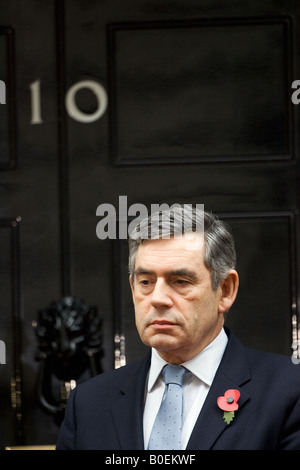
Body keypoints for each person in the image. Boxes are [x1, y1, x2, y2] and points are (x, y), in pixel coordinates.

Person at [56, 206, 300, 450]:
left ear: (225, 290)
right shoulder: (88, 403)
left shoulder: (289, 391)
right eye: (146, 282)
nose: (158, 298)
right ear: (132, 289)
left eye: (181, 281)